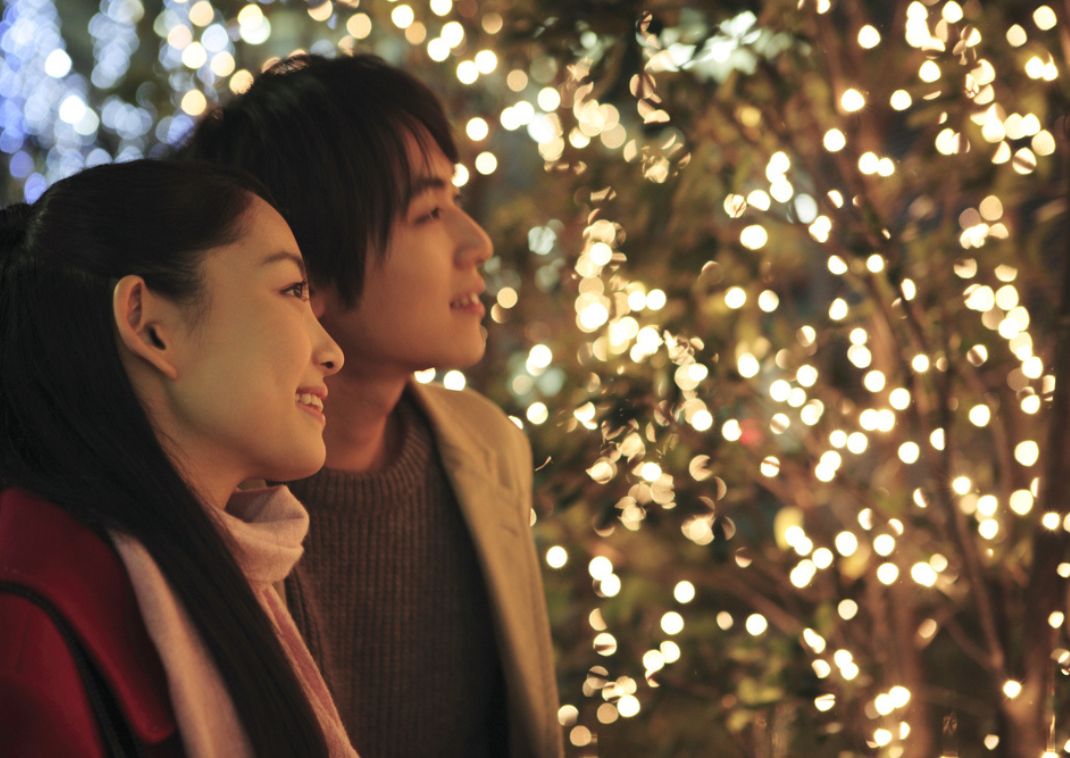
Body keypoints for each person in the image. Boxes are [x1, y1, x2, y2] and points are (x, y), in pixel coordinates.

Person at [181, 54, 563, 757]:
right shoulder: (217, 500)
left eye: (457, 202)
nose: (475, 242)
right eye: (429, 212)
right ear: (305, 271)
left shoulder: (486, 449)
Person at [0, 159, 357, 757]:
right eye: (292, 291)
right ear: (150, 326)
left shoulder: (236, 564)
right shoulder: (30, 625)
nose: (331, 353)